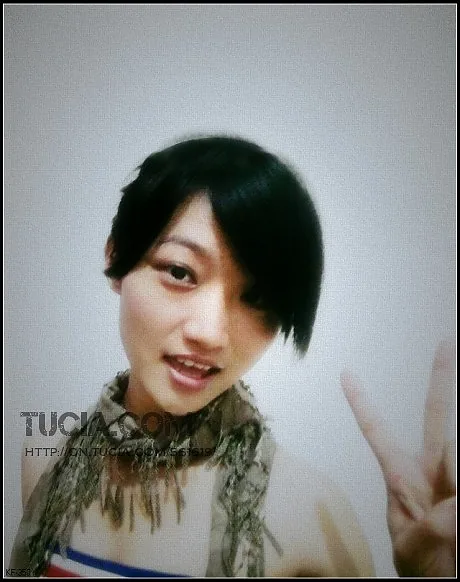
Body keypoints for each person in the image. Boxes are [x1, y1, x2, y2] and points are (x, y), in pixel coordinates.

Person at [9, 135, 455, 577]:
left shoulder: (309, 519)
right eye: (180, 272)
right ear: (116, 258)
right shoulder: (49, 463)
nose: (209, 333)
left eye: (256, 297)